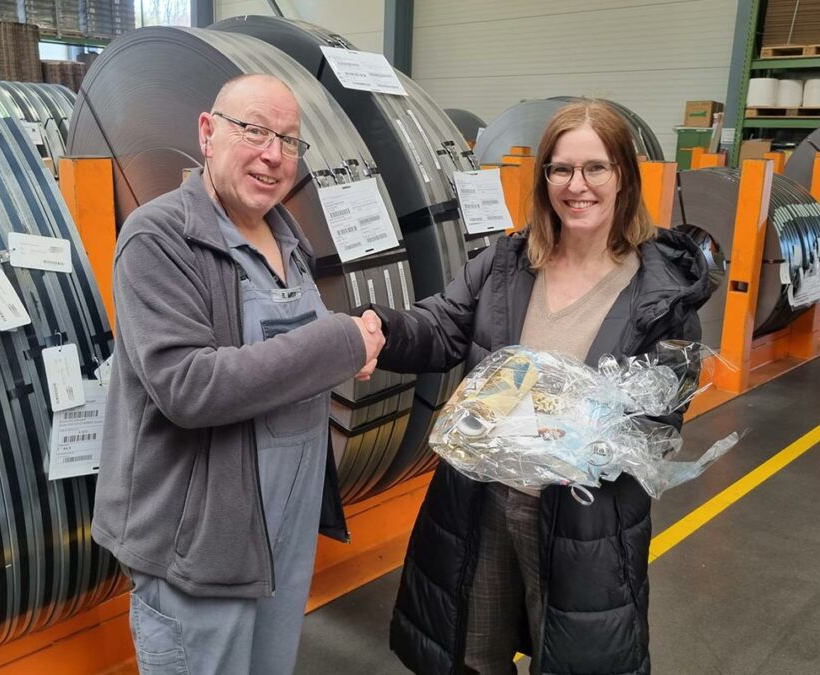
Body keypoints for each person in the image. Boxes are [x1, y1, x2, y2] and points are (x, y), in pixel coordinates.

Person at [364, 100, 714, 674]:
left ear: (623, 176)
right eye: (560, 169)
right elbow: (440, 326)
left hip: (584, 525)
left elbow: (659, 417)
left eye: (595, 168)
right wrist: (379, 326)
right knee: (473, 653)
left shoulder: (659, 294)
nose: (577, 186)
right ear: (544, 177)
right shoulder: (506, 264)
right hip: (481, 504)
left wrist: (572, 437)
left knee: (572, 658)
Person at [91, 73, 384, 675]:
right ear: (207, 133)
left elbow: (288, 361)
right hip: (198, 542)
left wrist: (348, 350)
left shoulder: (287, 236)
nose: (272, 155)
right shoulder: (158, 238)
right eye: (253, 130)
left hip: (281, 536)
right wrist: (336, 344)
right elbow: (188, 386)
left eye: (289, 140)